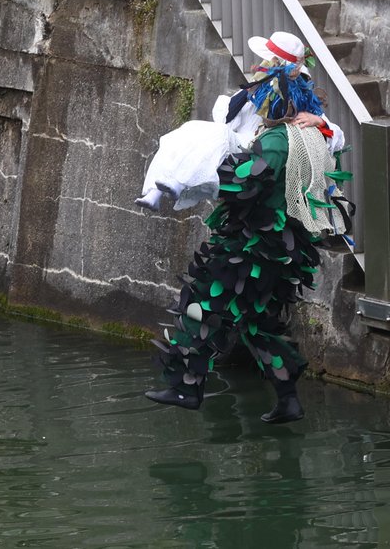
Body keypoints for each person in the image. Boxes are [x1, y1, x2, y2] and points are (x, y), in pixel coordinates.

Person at [143, 52, 353, 423]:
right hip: (285, 250)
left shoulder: (275, 141)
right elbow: (333, 137)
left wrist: (200, 176)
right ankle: (289, 399)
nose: (256, 102)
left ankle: (187, 386)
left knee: (200, 304)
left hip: (251, 250)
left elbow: (245, 183)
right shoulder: (310, 137)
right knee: (257, 323)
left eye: (262, 96)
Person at [136, 31, 345, 211]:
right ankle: (154, 192)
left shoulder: (299, 94)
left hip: (257, 151)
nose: (264, 63)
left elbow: (337, 136)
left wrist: (316, 119)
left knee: (216, 134)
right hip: (239, 139)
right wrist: (252, 94)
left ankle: (177, 183)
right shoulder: (259, 86)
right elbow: (228, 115)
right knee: (188, 130)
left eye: (270, 60)